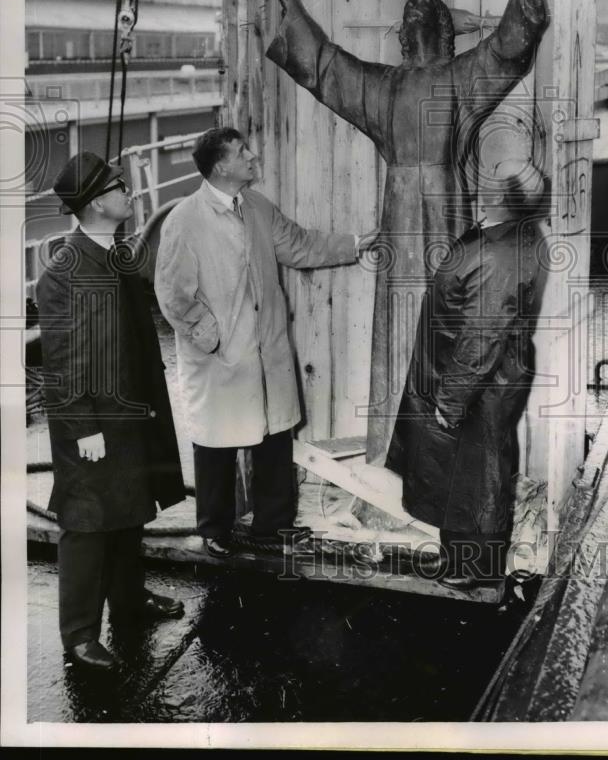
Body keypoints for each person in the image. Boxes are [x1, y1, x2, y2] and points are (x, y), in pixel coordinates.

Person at [251, 0, 549, 463]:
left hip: (401, 216)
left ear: (405, 43)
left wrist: (290, 3)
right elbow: (513, 44)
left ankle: (392, 454)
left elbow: (321, 65)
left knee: (404, 324)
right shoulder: (462, 76)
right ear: (447, 39)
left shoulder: (381, 86)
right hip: (447, 215)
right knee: (451, 319)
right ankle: (438, 461)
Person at [154, 127, 377, 558]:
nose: (253, 156)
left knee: (274, 439)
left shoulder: (256, 206)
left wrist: (352, 244)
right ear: (221, 166)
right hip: (220, 357)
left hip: (265, 350)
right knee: (216, 444)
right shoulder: (184, 220)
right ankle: (214, 528)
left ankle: (272, 528)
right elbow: (172, 295)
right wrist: (212, 339)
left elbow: (298, 244)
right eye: (243, 152)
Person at [36, 152, 187, 673]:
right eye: (121, 187)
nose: (130, 193)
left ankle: (127, 602)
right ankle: (78, 633)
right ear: (98, 202)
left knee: (129, 508)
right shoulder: (64, 272)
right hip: (94, 420)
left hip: (130, 411)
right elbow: (61, 360)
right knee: (88, 521)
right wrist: (83, 427)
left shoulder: (115, 253)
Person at [385, 159, 549, 590]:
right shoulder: (505, 234)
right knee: (462, 472)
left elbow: (482, 335)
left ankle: (473, 569)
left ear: (501, 198)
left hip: (476, 382)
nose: (480, 184)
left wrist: (451, 400)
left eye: (490, 183)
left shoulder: (498, 253)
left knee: (475, 476)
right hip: (477, 377)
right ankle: (462, 560)